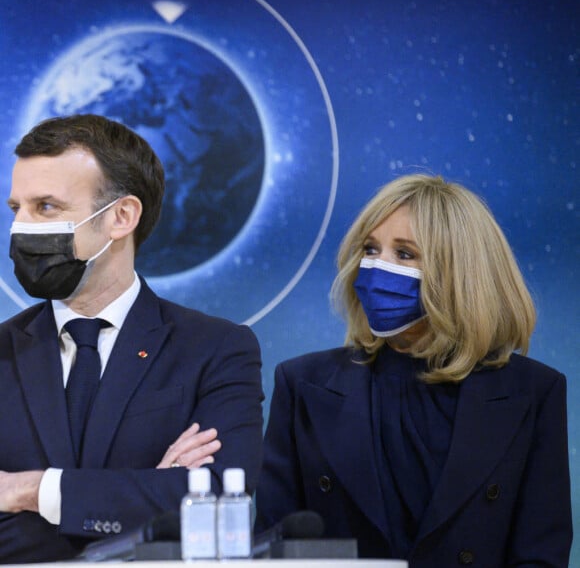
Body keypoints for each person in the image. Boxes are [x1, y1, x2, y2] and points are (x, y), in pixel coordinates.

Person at [255, 174, 572, 566]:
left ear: (460, 274)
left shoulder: (534, 391)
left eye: (404, 254)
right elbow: (271, 547)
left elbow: (540, 554)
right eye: (370, 249)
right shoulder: (303, 383)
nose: (374, 267)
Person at [0, 114, 264, 562]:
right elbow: (179, 509)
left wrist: (30, 490)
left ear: (121, 216)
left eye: (46, 207)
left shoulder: (217, 350)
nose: (20, 228)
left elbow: (219, 502)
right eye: (15, 209)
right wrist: (151, 495)